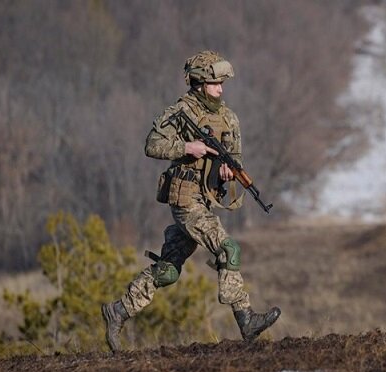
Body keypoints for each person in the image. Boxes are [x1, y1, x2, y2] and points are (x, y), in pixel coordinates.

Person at [101, 50, 281, 351]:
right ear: (199, 83)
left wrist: (226, 174)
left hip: (205, 199)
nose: (220, 89)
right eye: (215, 83)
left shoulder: (228, 118)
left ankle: (118, 311)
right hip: (185, 200)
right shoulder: (180, 112)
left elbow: (233, 160)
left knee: (169, 271)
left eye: (222, 83)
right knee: (228, 247)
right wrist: (188, 146)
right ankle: (245, 319)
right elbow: (152, 144)